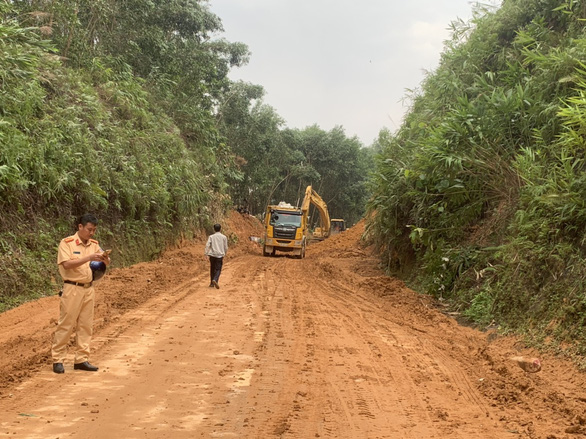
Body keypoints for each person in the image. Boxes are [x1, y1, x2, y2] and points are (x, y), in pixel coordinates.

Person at [51, 214, 111, 374]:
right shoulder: (67, 243)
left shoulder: (94, 245)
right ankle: (58, 359)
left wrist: (105, 259)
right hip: (72, 288)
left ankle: (81, 359)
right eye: (89, 229)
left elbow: (105, 261)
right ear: (80, 227)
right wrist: (88, 257)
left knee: (86, 325)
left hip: (89, 288)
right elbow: (67, 264)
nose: (91, 233)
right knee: (66, 324)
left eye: (94, 230)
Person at [204, 223, 228, 289]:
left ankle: (212, 283)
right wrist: (224, 253)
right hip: (220, 256)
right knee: (218, 269)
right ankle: (215, 279)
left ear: (214, 229)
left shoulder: (211, 237)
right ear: (220, 229)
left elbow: (207, 245)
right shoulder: (224, 237)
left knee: (212, 268)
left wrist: (206, 254)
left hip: (212, 255)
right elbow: (226, 247)